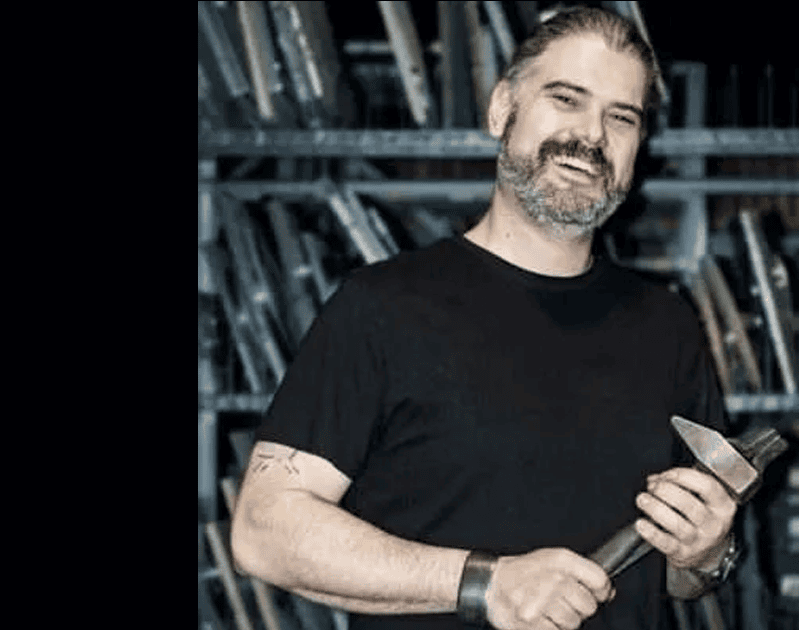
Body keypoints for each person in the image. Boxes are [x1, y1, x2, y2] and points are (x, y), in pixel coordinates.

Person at [230, 7, 738, 630]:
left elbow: (681, 580)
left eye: (621, 117)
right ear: (503, 108)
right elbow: (264, 529)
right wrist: (486, 584)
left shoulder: (669, 328)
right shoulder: (382, 306)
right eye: (566, 99)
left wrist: (705, 553)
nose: (592, 135)